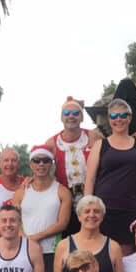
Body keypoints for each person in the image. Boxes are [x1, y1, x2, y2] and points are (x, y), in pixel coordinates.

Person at [13, 145, 73, 272]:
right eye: (36, 161)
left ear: (52, 164)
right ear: (30, 164)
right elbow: (14, 219)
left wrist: (34, 238)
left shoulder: (61, 191)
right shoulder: (22, 191)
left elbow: (63, 223)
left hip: (50, 252)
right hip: (24, 251)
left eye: (45, 161)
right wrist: (24, 240)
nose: (41, 165)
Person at [84, 98, 136, 253]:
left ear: (129, 118)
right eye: (113, 116)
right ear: (109, 119)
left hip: (133, 209)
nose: (118, 119)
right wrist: (87, 209)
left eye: (123, 115)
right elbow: (90, 180)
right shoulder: (100, 145)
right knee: (104, 255)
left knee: (128, 256)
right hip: (105, 211)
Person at [43, 98, 101, 229]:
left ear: (81, 117)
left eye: (76, 113)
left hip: (92, 194)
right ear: (61, 117)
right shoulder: (52, 142)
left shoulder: (93, 136)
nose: (71, 117)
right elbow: (39, 164)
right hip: (65, 199)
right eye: (67, 113)